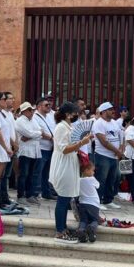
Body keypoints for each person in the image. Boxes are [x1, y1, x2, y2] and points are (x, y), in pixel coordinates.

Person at [49, 102, 90, 244]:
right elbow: (64, 149)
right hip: (63, 164)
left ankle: (63, 228)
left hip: (69, 163)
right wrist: (81, 143)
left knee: (65, 199)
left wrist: (82, 142)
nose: (76, 115)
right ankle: (59, 231)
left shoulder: (68, 126)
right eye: (75, 113)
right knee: (63, 199)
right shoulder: (61, 127)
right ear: (68, 114)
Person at [93, 102, 123, 210]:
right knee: (101, 179)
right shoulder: (98, 123)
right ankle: (97, 201)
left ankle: (108, 200)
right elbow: (104, 141)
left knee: (112, 178)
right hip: (103, 156)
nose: (113, 111)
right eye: (111, 109)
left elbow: (120, 136)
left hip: (114, 156)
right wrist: (117, 151)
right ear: (104, 112)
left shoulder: (114, 123)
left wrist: (120, 148)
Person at [15, 101, 43, 205]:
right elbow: (29, 133)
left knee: (31, 174)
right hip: (25, 151)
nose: (32, 112)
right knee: (23, 174)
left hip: (35, 151)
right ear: (24, 111)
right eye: (30, 110)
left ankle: (29, 194)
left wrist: (33, 135)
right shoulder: (19, 121)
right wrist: (35, 134)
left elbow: (40, 132)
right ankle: (20, 196)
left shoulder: (33, 120)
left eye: (32, 110)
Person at [33, 98, 56, 200]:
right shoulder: (35, 117)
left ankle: (46, 193)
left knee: (47, 172)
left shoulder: (50, 116)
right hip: (41, 147)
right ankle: (36, 193)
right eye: (46, 105)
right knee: (38, 171)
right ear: (39, 106)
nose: (49, 106)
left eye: (49, 105)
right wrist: (51, 138)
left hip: (50, 147)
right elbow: (40, 132)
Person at [77, 160, 101, 243]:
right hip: (93, 204)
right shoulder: (91, 179)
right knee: (95, 220)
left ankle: (81, 230)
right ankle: (92, 228)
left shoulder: (78, 180)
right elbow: (98, 185)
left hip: (82, 204)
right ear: (87, 170)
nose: (94, 172)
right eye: (92, 170)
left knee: (83, 220)